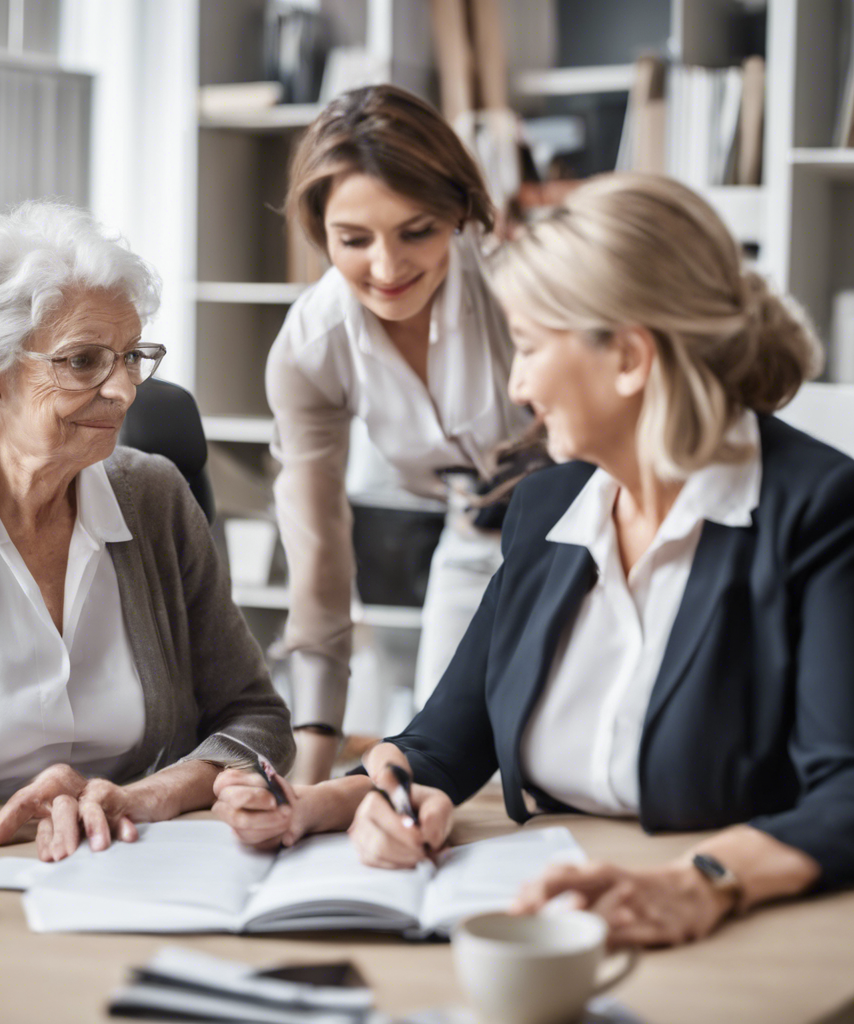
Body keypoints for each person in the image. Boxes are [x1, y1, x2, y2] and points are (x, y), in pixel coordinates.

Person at [212, 173, 854, 947]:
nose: (516, 385)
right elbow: (442, 742)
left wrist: (703, 882)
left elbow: (845, 794)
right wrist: (332, 803)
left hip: (737, 933)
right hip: (539, 915)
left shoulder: (817, 511)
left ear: (627, 357)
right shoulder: (550, 506)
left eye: (528, 347)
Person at [0, 201, 294, 862]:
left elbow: (256, 717)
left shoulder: (156, 499)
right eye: (83, 362)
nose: (124, 392)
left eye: (131, 356)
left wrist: (149, 796)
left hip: (140, 856)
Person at [268, 84, 529, 783]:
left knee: (557, 772)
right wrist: (311, 764)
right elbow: (318, 557)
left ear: (460, 213)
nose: (385, 270)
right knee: (443, 773)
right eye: (353, 240)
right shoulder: (311, 346)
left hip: (583, 539)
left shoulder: (519, 287)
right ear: (320, 231)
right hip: (472, 540)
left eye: (416, 231)